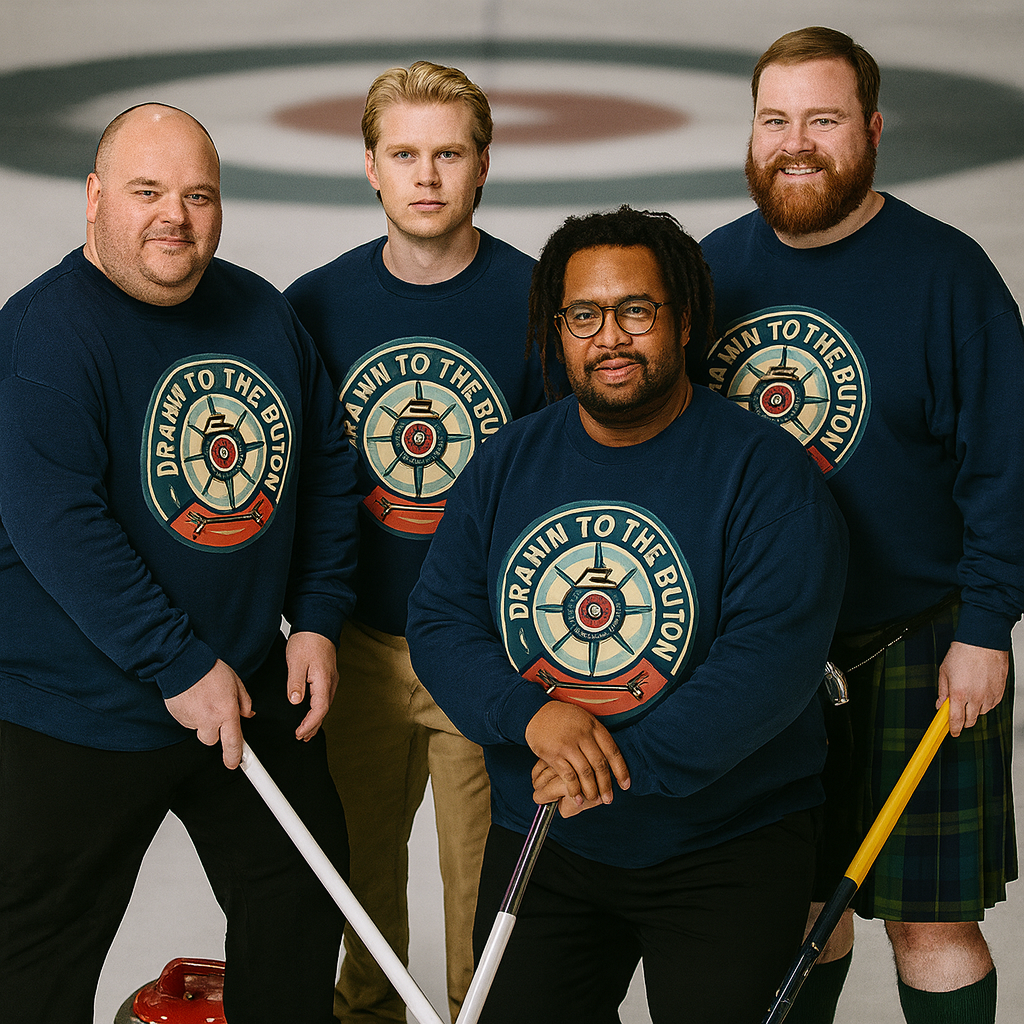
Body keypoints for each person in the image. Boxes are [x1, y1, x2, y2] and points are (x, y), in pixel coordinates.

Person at [405, 205, 848, 1024]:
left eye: (636, 310)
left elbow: (768, 665)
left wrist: (607, 765)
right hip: (545, 841)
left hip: (725, 845)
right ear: (557, 329)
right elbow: (439, 620)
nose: (610, 337)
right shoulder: (510, 459)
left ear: (682, 323)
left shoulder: (764, 474)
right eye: (584, 315)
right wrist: (532, 718)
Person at [0, 104, 361, 1024]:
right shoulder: (42, 335)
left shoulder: (259, 312)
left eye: (198, 195)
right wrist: (173, 661)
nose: (176, 216)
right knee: (36, 961)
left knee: (302, 897)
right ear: (94, 200)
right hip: (74, 710)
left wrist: (315, 615)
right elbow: (58, 522)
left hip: (234, 687)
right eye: (147, 191)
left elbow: (322, 464)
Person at [699, 26, 1023, 1024]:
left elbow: (1006, 464)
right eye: (774, 120)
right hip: (763, 654)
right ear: (750, 135)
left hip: (917, 645)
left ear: (872, 130)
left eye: (823, 119)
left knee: (929, 924)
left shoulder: (947, 273)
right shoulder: (708, 272)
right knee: (791, 911)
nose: (795, 142)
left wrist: (984, 629)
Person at [285, 61, 553, 1023]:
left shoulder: (538, 302)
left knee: (485, 922)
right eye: (405, 154)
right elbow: (303, 484)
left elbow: (562, 488)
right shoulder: (311, 308)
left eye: (448, 154)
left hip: (479, 658)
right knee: (359, 905)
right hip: (352, 650)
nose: (427, 175)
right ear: (370, 167)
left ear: (484, 165)